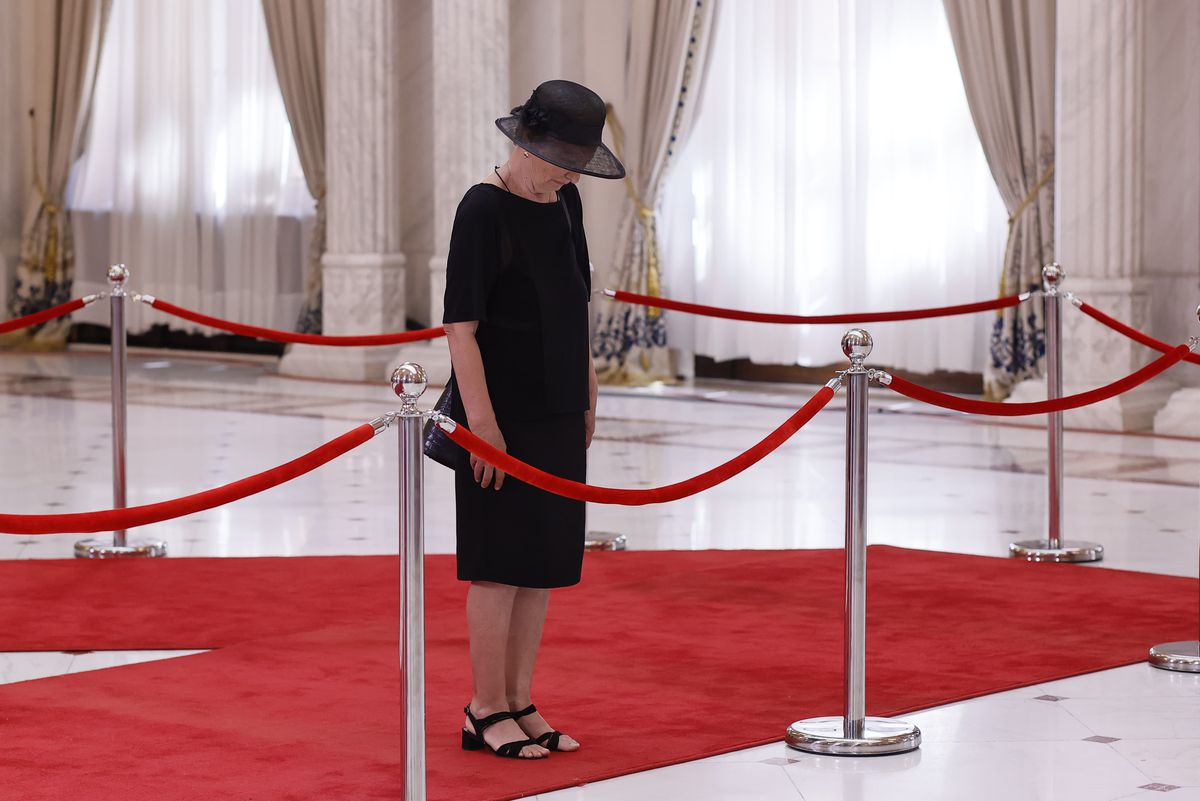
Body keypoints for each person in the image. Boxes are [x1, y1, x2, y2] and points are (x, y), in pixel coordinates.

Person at [442, 80, 626, 760]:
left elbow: (572, 299)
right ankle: (483, 706)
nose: (572, 172)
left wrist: (587, 388)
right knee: (498, 563)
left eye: (580, 159)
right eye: (562, 157)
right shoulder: (482, 209)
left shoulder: (566, 203)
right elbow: (461, 328)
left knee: (541, 559)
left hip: (556, 407)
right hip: (498, 412)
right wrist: (482, 427)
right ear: (526, 143)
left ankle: (520, 698)